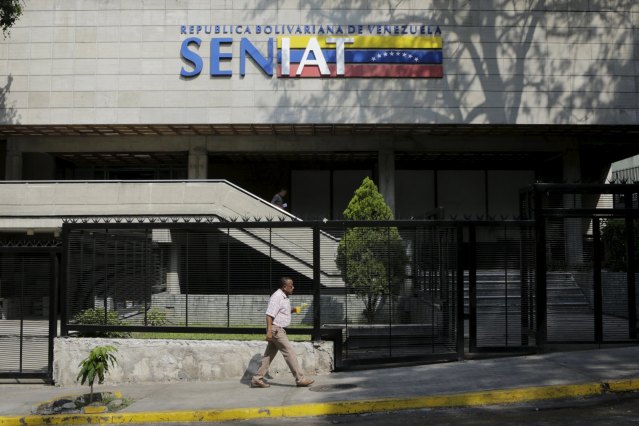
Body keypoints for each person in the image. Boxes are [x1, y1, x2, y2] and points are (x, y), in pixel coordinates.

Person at [251, 277, 314, 388]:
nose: (293, 287)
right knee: (289, 352)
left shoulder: (284, 297)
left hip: (277, 329)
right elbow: (269, 315)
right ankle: (300, 379)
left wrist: (293, 310)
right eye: (291, 286)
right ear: (284, 287)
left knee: (268, 356)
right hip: (277, 330)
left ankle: (257, 379)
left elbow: (280, 311)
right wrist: (269, 331)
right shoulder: (277, 297)